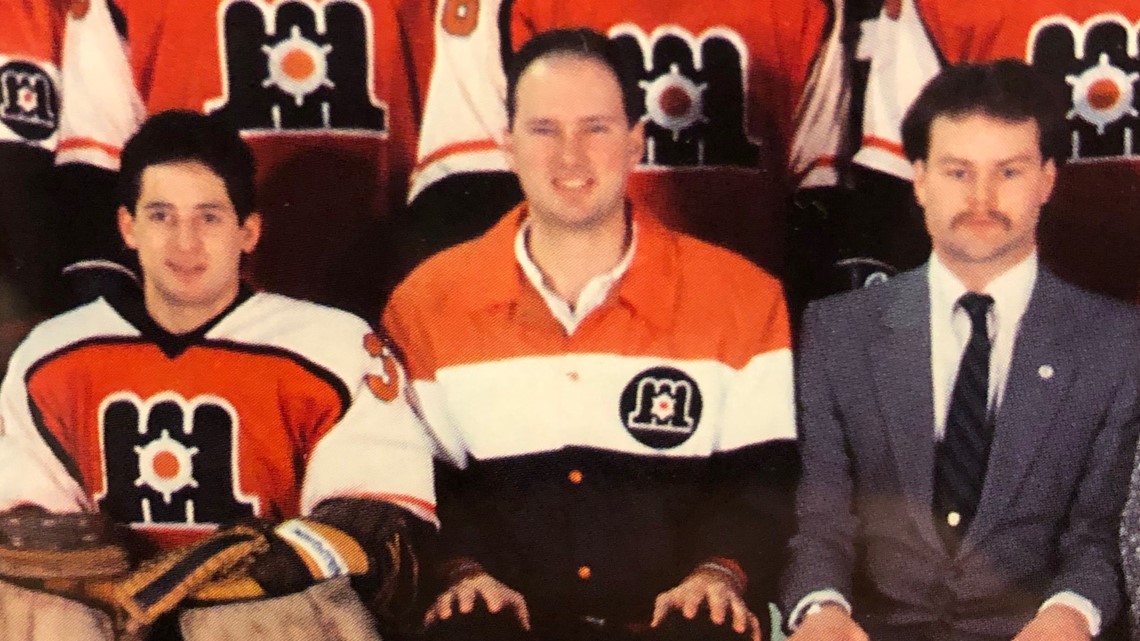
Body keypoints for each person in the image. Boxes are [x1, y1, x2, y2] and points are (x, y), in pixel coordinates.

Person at [383, 27, 798, 641]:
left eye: (596, 128)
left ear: (636, 142)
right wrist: (459, 571)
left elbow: (761, 486)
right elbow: (417, 482)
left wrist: (720, 572)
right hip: (505, 623)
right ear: (508, 145)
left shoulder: (743, 296)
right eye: (544, 130)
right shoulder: (426, 301)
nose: (569, 157)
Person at [0, 110, 436, 639]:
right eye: (161, 216)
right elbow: (25, 521)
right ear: (127, 227)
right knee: (27, 604)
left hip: (262, 618)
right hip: (110, 617)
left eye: (208, 217)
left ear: (248, 231)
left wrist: (264, 568)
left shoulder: (332, 346)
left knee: (255, 614)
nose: (185, 242)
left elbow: (379, 518)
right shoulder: (52, 355)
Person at [782, 59, 1140, 641]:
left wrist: (1069, 615)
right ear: (918, 179)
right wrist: (821, 608)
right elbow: (822, 522)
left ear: (1048, 179)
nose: (981, 198)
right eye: (957, 172)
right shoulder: (838, 332)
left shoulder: (1116, 342)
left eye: (1009, 172)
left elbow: (1097, 535)